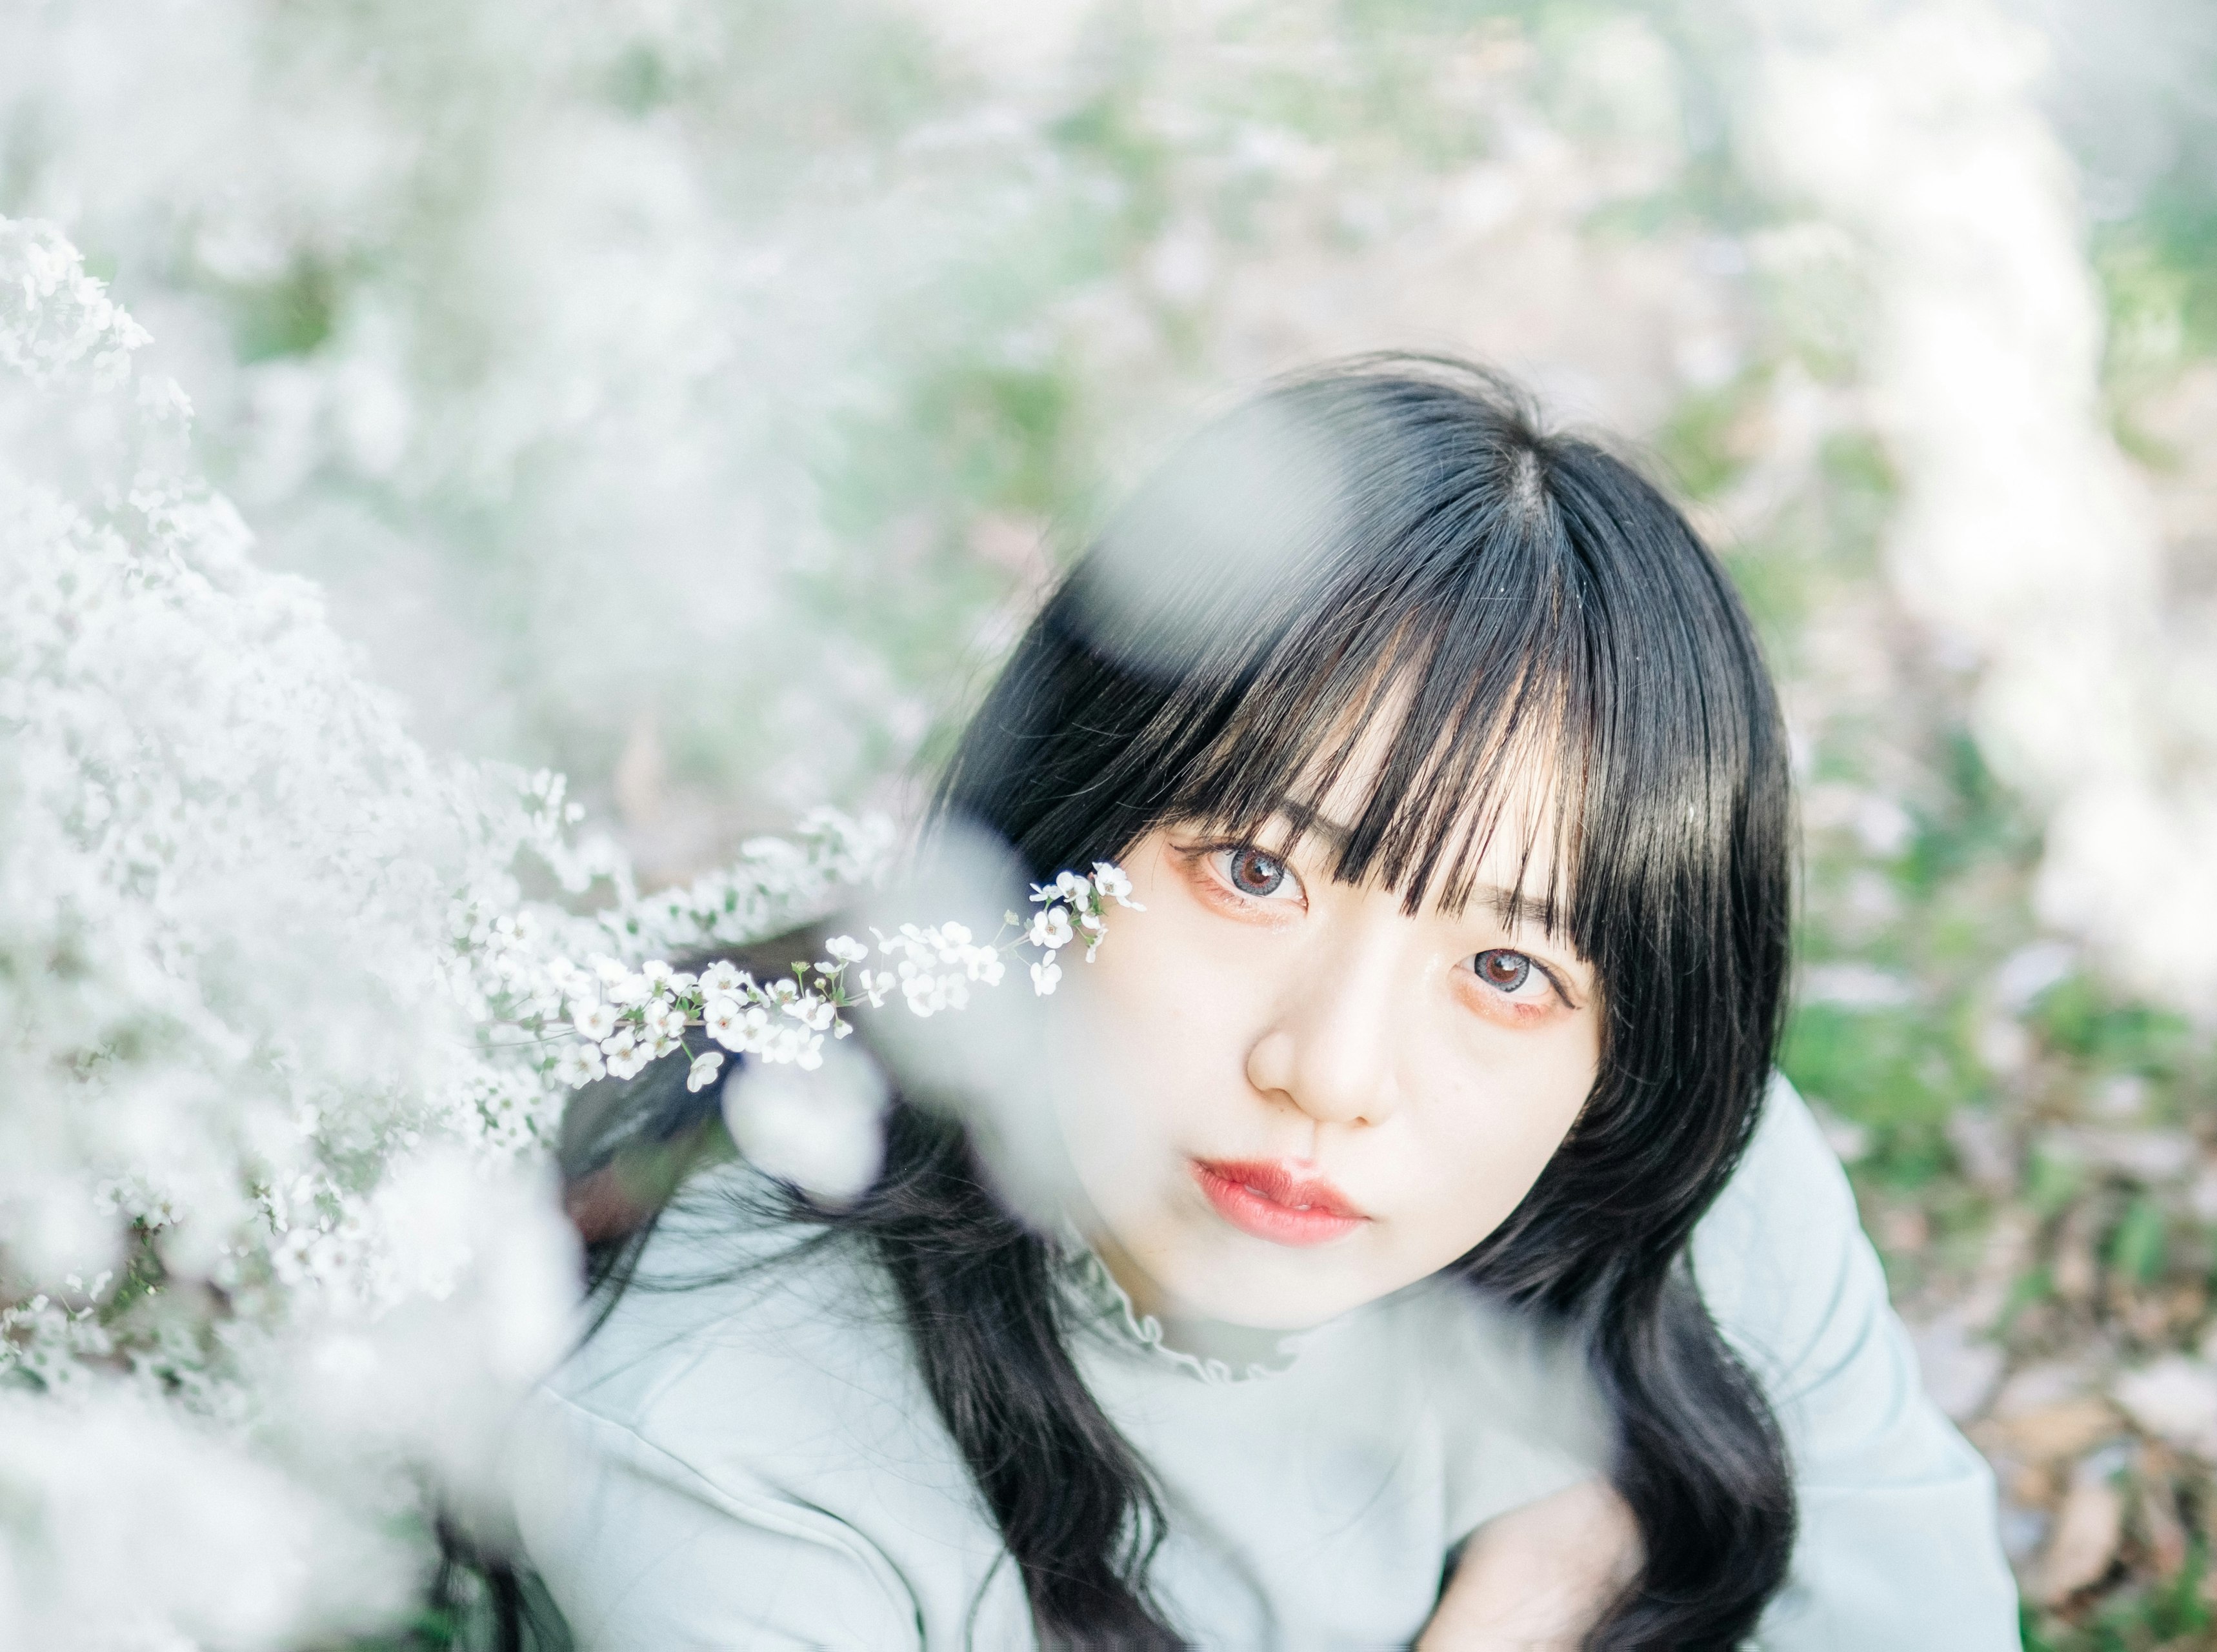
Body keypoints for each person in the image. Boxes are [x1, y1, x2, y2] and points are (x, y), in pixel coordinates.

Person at [510, 361, 2018, 1649]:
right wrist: (1534, 1597)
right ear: (1063, 832)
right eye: (1252, 868)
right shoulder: (734, 1440)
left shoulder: (1685, 1192)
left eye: (1507, 969)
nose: (1331, 1070)